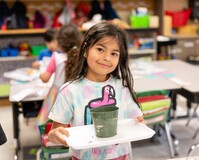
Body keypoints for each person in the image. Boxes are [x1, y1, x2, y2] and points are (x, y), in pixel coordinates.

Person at [48, 22, 144, 160]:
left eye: (114, 53)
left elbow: (138, 120)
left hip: (121, 156)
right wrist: (57, 135)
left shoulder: (122, 88)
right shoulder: (70, 91)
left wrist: (139, 122)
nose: (106, 57)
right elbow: (54, 134)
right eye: (100, 49)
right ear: (86, 50)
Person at [37, 24, 83, 125]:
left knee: (52, 123)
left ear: (60, 42)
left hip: (57, 94)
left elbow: (45, 78)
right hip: (77, 94)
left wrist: (40, 74)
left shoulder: (56, 57)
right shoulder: (82, 56)